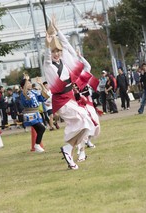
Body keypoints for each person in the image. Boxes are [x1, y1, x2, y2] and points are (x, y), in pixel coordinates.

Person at [43, 16, 95, 169]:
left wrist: (58, 31)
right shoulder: (48, 66)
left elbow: (65, 44)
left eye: (58, 51)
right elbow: (47, 57)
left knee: (87, 125)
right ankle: (70, 149)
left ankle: (68, 149)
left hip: (70, 98)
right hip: (61, 101)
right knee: (84, 120)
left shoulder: (65, 62)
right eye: (54, 52)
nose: (57, 54)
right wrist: (48, 42)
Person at [20, 74, 48, 153]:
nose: (29, 84)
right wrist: (25, 80)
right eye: (28, 83)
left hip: (36, 113)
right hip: (30, 114)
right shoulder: (23, 94)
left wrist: (41, 85)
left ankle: (37, 145)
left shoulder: (33, 91)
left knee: (40, 129)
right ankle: (37, 145)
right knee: (42, 128)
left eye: (29, 83)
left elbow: (44, 97)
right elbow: (26, 96)